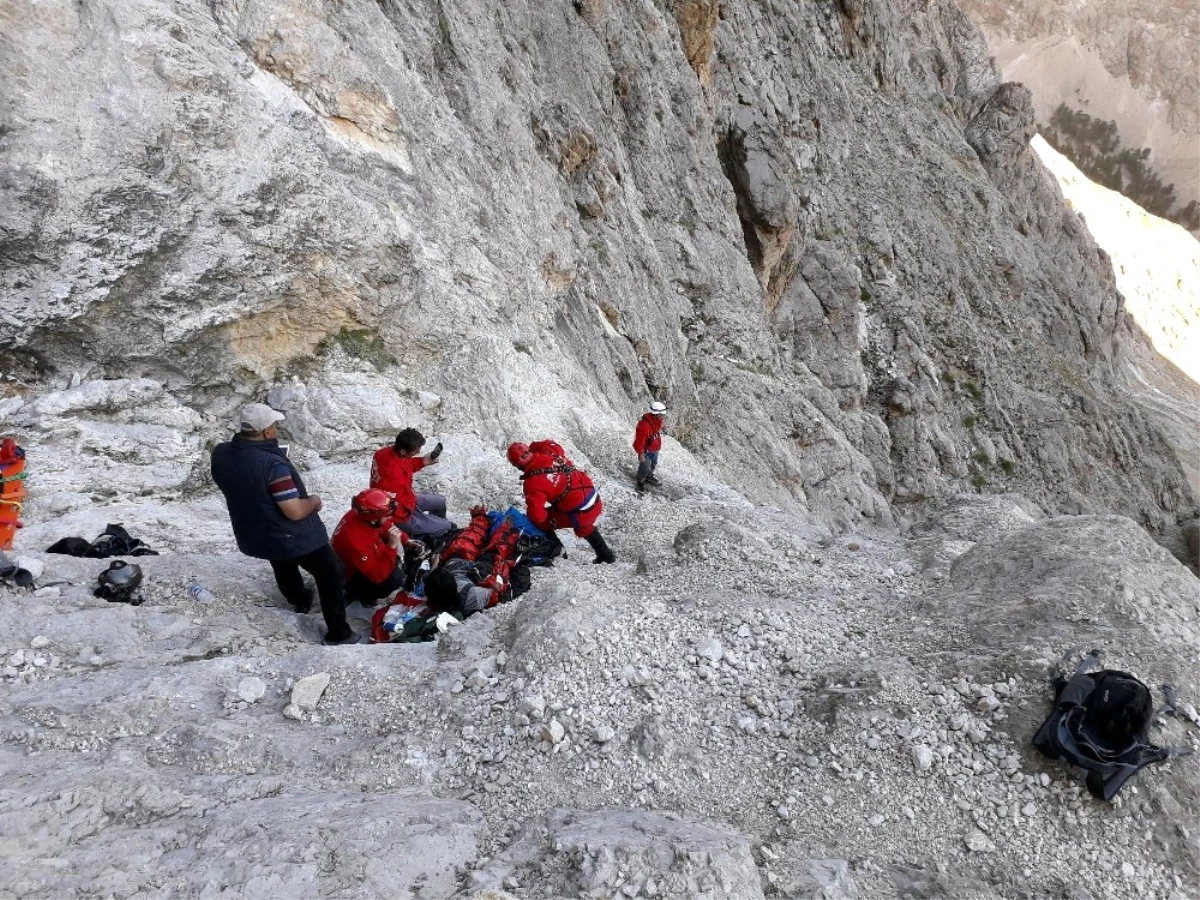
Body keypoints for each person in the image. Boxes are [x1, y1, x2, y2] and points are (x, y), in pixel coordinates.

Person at [211, 403, 358, 645]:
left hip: (257, 529)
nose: (277, 430)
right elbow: (294, 511)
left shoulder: (221, 452)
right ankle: (338, 633)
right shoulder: (273, 465)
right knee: (331, 572)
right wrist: (315, 501)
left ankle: (299, 598)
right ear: (267, 432)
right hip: (293, 534)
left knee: (281, 563)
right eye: (275, 426)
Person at [506, 440, 616, 563]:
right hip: (594, 498)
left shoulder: (532, 484)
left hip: (581, 512)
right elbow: (550, 443)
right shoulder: (550, 452)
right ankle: (605, 555)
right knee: (579, 519)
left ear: (517, 465)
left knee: (540, 522)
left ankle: (555, 549)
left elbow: (537, 516)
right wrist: (531, 448)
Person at [331, 489, 427, 608]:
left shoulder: (361, 514)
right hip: (351, 575)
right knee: (393, 579)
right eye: (386, 516)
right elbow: (377, 576)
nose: (389, 518)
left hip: (361, 555)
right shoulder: (356, 542)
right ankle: (363, 596)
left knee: (404, 527)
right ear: (373, 519)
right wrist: (391, 547)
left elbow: (384, 525)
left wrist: (406, 541)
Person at [370, 428, 453, 538]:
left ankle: (435, 527)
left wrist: (422, 461)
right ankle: (434, 535)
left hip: (407, 498)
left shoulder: (383, 453)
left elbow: (404, 464)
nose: (418, 452)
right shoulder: (394, 478)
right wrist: (419, 518)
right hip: (400, 513)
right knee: (447, 526)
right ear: (403, 451)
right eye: (415, 451)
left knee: (441, 502)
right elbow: (398, 509)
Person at [633, 400, 667, 491]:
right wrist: (640, 454)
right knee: (645, 466)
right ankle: (640, 480)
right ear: (657, 414)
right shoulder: (644, 426)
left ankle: (648, 476)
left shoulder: (656, 420)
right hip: (646, 450)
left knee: (653, 463)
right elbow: (638, 442)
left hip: (654, 447)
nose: (663, 416)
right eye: (662, 414)